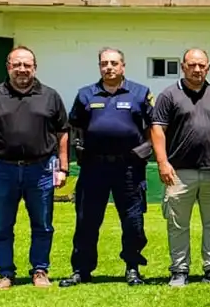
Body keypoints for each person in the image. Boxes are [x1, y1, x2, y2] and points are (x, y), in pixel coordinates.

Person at [0, 46, 69, 290]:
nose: (22, 69)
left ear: (35, 67)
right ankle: (5, 273)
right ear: (8, 67)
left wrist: (63, 168)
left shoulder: (50, 96)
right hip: (2, 170)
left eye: (27, 65)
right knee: (1, 226)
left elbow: (63, 132)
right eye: (17, 65)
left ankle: (40, 270)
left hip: (41, 170)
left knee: (43, 224)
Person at [62, 47, 153, 288]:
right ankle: (81, 269)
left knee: (133, 221)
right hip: (94, 167)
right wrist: (78, 151)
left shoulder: (140, 93)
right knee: (87, 220)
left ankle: (132, 267)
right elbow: (74, 126)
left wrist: (144, 151)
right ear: (99, 67)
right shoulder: (85, 95)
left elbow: (154, 127)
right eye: (104, 63)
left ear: (123, 66)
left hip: (129, 168)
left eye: (114, 63)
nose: (109, 67)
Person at [151, 48, 210, 287]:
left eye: (201, 65)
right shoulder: (168, 95)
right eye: (192, 65)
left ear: (208, 68)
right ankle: (179, 270)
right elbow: (157, 130)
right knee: (177, 224)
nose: (197, 69)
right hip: (178, 172)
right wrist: (162, 162)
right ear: (183, 67)